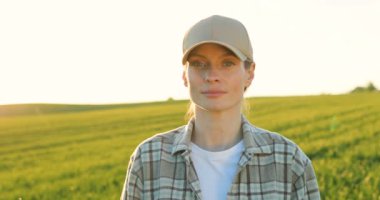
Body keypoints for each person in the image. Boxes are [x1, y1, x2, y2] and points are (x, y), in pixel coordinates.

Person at [121, 15, 320, 200]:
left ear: (249, 73)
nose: (212, 76)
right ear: (184, 75)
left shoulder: (288, 161)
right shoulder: (148, 159)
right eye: (199, 64)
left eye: (227, 63)